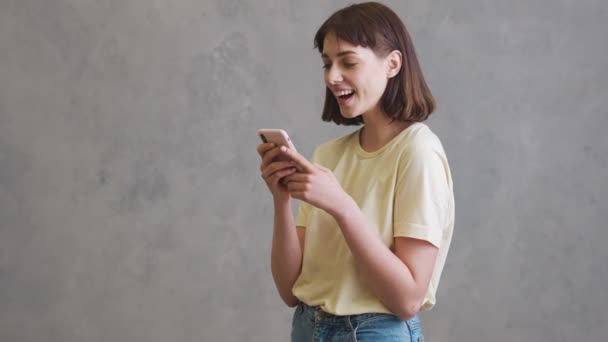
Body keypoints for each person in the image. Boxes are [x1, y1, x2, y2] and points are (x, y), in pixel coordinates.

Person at [256, 2, 454, 341]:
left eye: (348, 62)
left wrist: (343, 207)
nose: (332, 77)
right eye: (327, 63)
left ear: (393, 64)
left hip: (374, 332)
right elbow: (290, 290)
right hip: (308, 328)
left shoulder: (417, 151)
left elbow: (407, 299)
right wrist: (280, 200)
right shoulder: (328, 155)